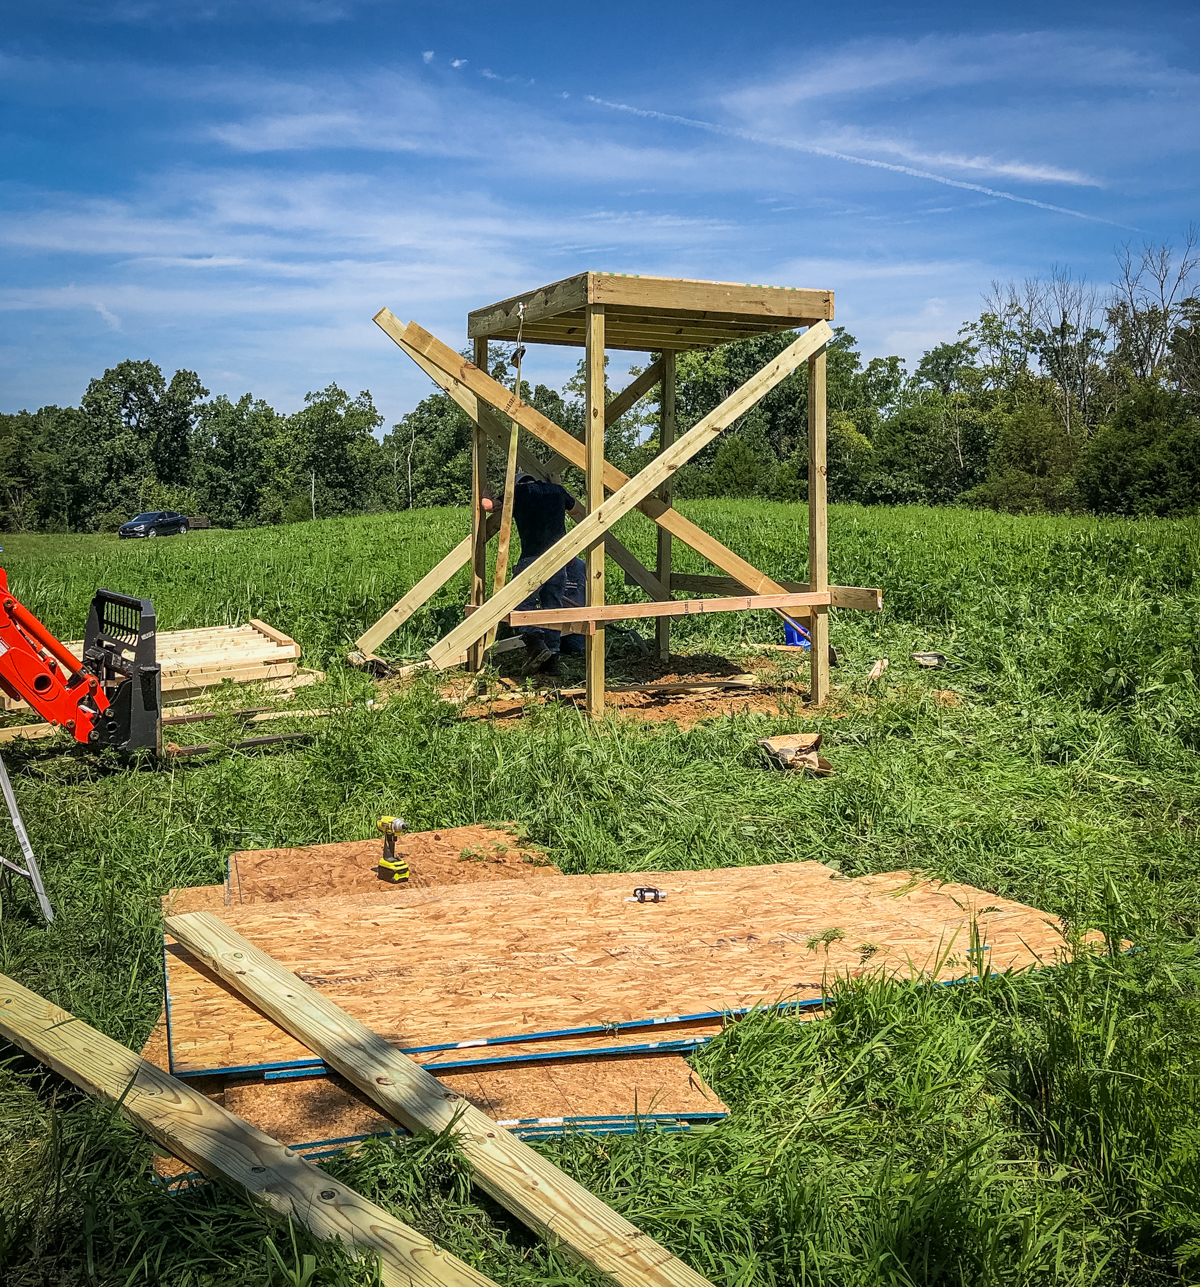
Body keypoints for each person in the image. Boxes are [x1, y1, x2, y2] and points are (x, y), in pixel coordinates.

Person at [483, 471, 578, 675]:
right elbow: (575, 507)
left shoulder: (517, 493)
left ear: (516, 483)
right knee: (553, 606)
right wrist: (557, 484)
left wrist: (486, 493)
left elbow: (489, 506)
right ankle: (552, 658)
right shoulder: (557, 490)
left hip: (532, 558)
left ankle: (536, 644)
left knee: (518, 603)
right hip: (559, 559)